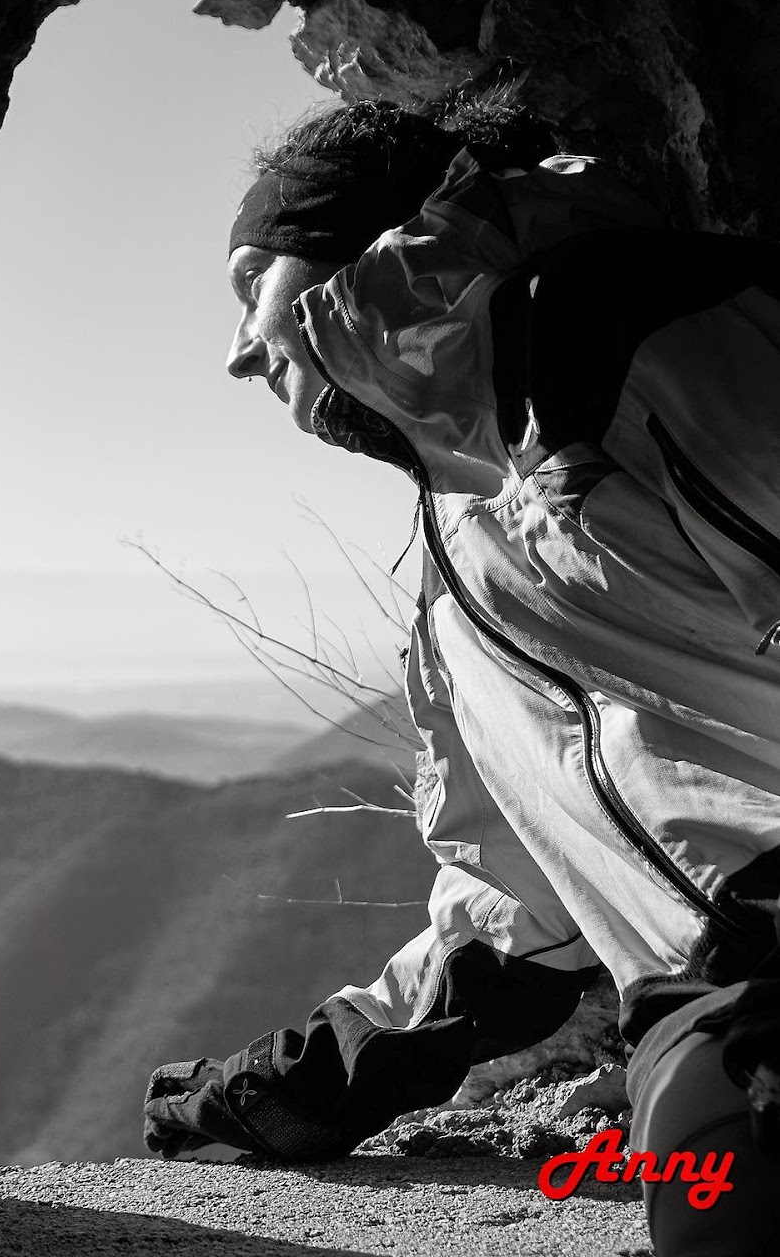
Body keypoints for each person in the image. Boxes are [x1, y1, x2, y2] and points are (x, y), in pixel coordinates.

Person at [142, 91, 780, 1251]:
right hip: (719, 1013)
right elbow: (515, 919)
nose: (238, 350)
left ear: (349, 250)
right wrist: (314, 1073)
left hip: (756, 991)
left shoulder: (633, 328)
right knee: (707, 1161)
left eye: (250, 284)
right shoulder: (461, 540)